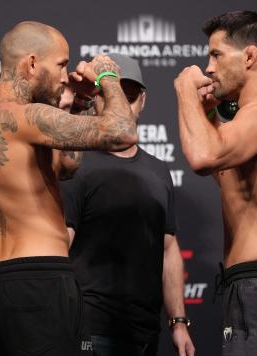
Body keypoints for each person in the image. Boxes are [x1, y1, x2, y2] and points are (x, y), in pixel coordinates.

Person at [0, 21, 137, 356]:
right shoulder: (26, 116)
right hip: (38, 280)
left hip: (12, 279)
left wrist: (80, 102)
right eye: (60, 64)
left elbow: (66, 168)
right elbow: (121, 132)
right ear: (31, 63)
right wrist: (107, 77)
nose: (64, 77)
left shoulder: (14, 122)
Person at [60, 53, 195, 356]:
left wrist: (178, 323)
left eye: (129, 97)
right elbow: (59, 245)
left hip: (145, 331)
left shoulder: (159, 170)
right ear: (95, 97)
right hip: (90, 326)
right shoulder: (74, 163)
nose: (119, 105)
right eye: (111, 94)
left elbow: (169, 248)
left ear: (143, 101)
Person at [174, 10, 257, 356]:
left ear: (250, 56)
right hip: (249, 286)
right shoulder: (248, 121)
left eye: (216, 54)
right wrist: (206, 115)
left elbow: (203, 158)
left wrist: (185, 93)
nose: (209, 67)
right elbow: (227, 179)